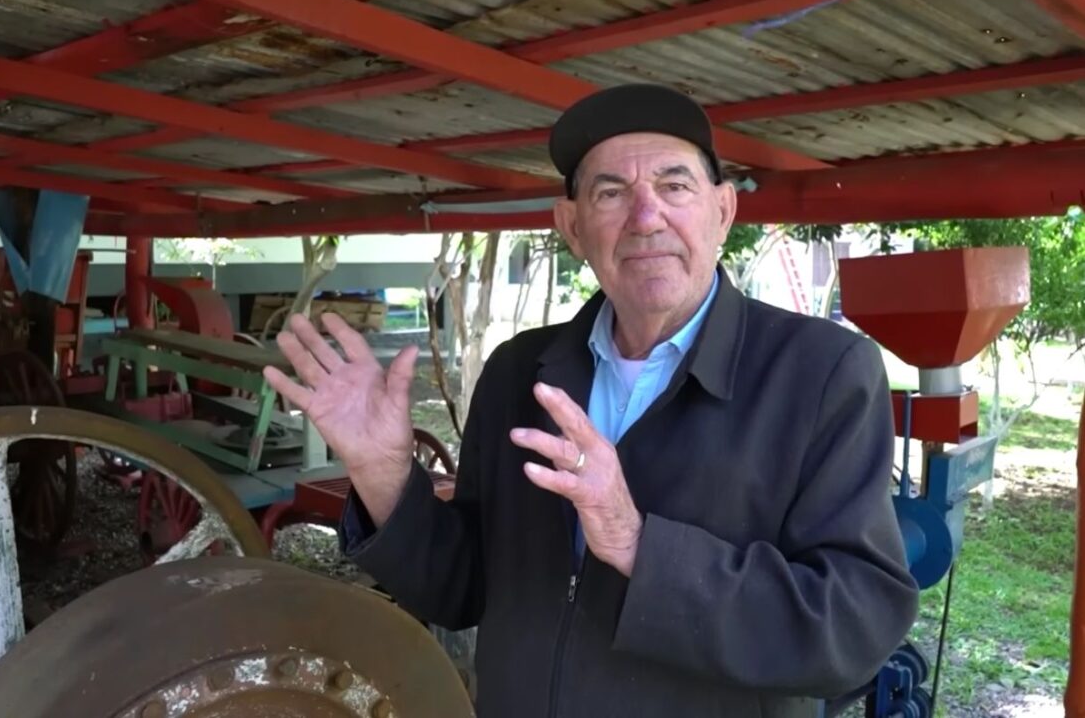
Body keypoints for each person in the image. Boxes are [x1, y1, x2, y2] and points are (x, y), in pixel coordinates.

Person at [264, 83, 920, 718]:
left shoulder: (819, 372)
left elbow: (852, 626)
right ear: (572, 227)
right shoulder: (521, 370)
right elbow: (464, 589)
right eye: (611, 192)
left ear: (722, 211)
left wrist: (637, 544)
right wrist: (383, 476)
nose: (644, 217)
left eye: (673, 186)